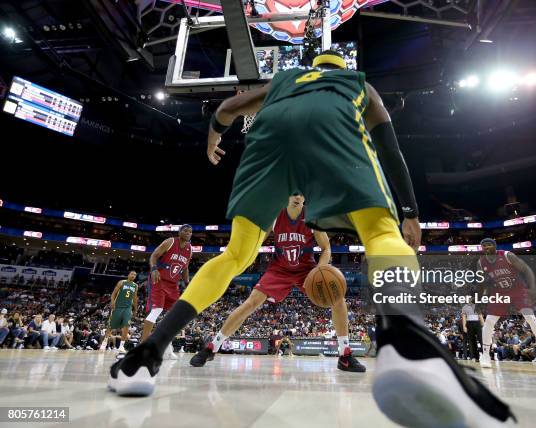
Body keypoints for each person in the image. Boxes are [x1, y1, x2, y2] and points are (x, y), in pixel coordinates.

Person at [109, 50, 514, 428]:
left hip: (270, 140)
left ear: (312, 67)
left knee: (235, 255)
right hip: (333, 131)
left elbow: (228, 108)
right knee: (380, 233)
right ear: (342, 67)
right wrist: (409, 211)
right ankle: (407, 347)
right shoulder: (359, 83)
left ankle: (147, 355)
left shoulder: (286, 79)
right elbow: (390, 150)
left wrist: (215, 134)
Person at [190, 193, 365, 373]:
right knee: (251, 302)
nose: (297, 196)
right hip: (279, 269)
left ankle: (344, 354)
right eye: (294, 193)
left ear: (305, 197)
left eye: (301, 193)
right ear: (287, 194)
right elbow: (255, 242)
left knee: (337, 297)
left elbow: (326, 248)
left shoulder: (313, 217)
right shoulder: (274, 215)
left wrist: (319, 270)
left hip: (306, 269)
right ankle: (212, 347)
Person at [478, 238, 536, 371]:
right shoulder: (481, 262)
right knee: (490, 321)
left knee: (530, 318)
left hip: (517, 290)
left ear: (495, 246)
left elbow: (527, 270)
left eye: (489, 244)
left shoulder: (507, 255)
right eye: (484, 245)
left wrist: (532, 288)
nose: (486, 247)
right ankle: (485, 355)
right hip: (499, 292)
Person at [142, 225, 193, 358]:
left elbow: (185, 268)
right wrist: (153, 269)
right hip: (158, 279)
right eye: (185, 231)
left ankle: (167, 348)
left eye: (190, 232)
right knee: (157, 310)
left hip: (173, 284)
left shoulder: (189, 249)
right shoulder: (170, 242)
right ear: (179, 232)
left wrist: (188, 283)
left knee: (174, 316)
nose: (188, 233)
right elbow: (154, 256)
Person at [100, 271, 139, 353]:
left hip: (128, 308)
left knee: (126, 325)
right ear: (128, 275)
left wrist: (135, 309)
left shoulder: (135, 286)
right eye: (132, 274)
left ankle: (121, 346)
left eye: (135, 275)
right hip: (118, 306)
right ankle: (104, 342)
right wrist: (112, 301)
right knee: (111, 325)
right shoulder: (122, 282)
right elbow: (114, 293)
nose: (133, 276)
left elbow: (135, 298)